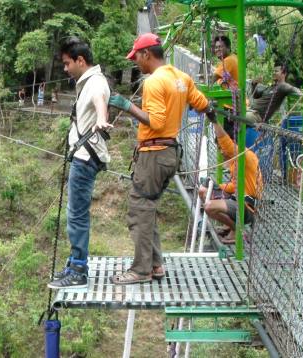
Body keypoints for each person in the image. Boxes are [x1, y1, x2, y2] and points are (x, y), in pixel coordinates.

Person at [108, 33, 216, 285]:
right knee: (148, 206)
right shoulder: (182, 78)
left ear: (147, 54)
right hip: (171, 153)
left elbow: (155, 122)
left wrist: (127, 106)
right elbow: (203, 104)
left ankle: (141, 270)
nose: (136, 63)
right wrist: (217, 119)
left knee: (139, 208)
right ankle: (155, 265)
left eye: (137, 58)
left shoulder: (154, 82)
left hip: (154, 154)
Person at [48, 38, 113, 288]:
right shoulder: (87, 82)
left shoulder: (95, 82)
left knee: (76, 214)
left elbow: (99, 100)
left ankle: (78, 269)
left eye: (67, 63)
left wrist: (101, 117)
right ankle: (75, 264)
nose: (65, 69)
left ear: (80, 61)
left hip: (85, 157)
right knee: (75, 213)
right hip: (83, 155)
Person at [199, 120, 263, 244]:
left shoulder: (244, 155)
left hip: (247, 207)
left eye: (221, 148)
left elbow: (226, 142)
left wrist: (214, 120)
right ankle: (230, 225)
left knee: (209, 207)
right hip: (237, 198)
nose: (221, 152)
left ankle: (237, 231)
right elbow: (235, 186)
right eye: (219, 149)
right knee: (203, 191)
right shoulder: (235, 161)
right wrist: (217, 186)